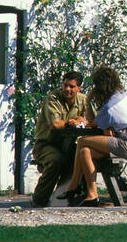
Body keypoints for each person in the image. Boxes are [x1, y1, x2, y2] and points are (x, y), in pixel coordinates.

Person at [66, 66, 127, 207]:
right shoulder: (121, 95)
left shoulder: (110, 106)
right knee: (85, 151)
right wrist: (108, 126)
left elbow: (91, 122)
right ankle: (92, 196)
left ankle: (74, 185)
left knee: (82, 141)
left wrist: (88, 100)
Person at [31, 71, 93, 208]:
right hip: (46, 144)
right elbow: (55, 124)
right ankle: (39, 199)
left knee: (80, 156)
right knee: (56, 160)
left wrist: (81, 120)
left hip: (69, 144)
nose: (67, 89)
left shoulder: (83, 100)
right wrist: (73, 121)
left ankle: (68, 198)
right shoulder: (53, 97)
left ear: (79, 88)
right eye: (65, 85)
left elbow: (90, 121)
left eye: (71, 86)